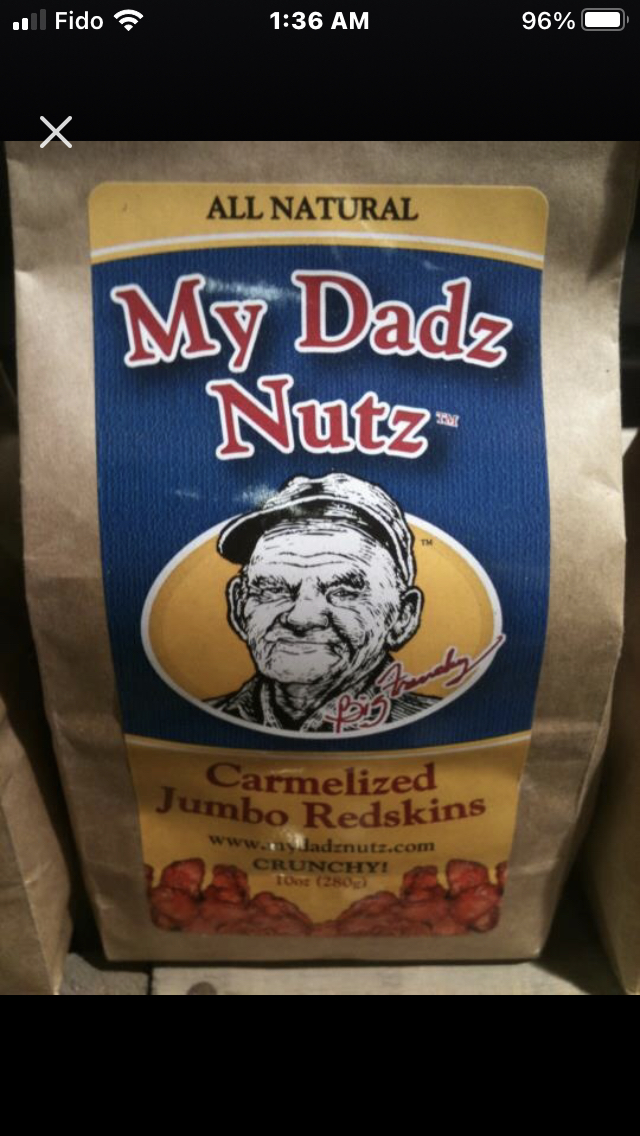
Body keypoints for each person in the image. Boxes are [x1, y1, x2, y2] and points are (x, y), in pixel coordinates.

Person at [206, 473, 439, 733]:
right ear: (239, 608)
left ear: (402, 618)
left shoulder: (440, 725)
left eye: (342, 592)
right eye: (273, 589)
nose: (301, 618)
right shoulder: (203, 722)